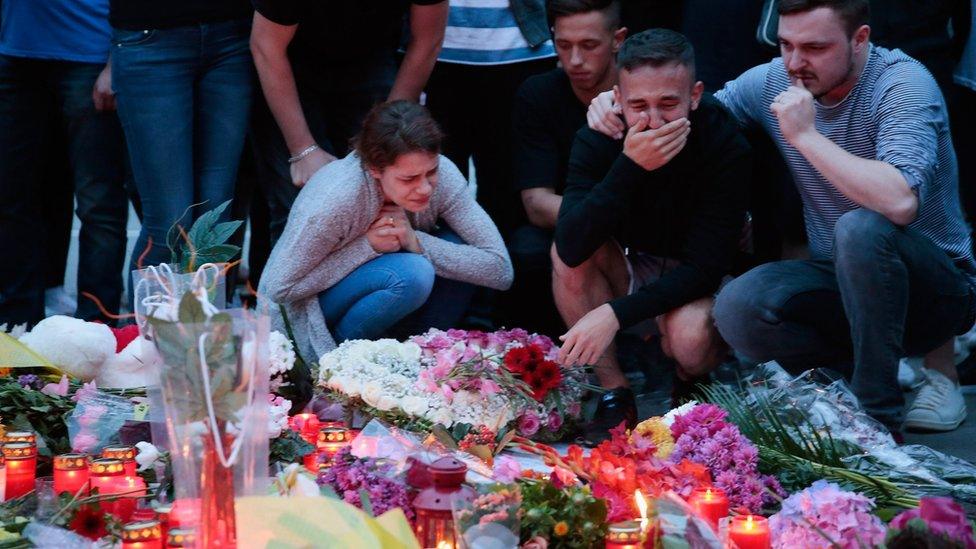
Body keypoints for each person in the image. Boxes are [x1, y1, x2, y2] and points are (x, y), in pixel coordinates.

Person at [588, 0, 976, 435]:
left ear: (860, 39)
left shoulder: (903, 85)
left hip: (937, 294)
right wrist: (617, 105)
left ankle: (876, 419)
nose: (795, 63)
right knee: (739, 307)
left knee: (861, 226)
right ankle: (835, 385)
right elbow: (697, 112)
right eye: (786, 45)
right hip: (842, 281)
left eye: (814, 47)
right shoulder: (776, 78)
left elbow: (900, 202)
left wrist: (805, 136)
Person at [553, 29, 752, 440]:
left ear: (694, 95)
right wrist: (628, 165)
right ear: (617, 99)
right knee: (564, 258)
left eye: (669, 104)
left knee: (689, 339)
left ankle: (688, 382)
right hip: (633, 260)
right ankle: (615, 393)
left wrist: (614, 314)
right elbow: (570, 243)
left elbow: (706, 268)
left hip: (700, 276)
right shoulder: (600, 132)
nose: (654, 120)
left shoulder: (722, 138)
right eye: (639, 105)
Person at [259, 101, 514, 361]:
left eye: (431, 172)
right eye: (408, 179)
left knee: (456, 248)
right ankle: (339, 363)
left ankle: (416, 356)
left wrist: (417, 242)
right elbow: (280, 289)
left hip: (382, 293)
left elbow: (500, 269)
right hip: (307, 315)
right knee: (414, 272)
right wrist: (366, 247)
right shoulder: (336, 198)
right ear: (374, 170)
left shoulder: (445, 176)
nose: (425, 188)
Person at [250, 0, 448, 243]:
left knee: (382, 192)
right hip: (291, 64)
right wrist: (302, 149)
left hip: (371, 60)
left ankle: (382, 278)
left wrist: (388, 133)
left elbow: (428, 41)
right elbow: (266, 46)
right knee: (299, 205)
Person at [0, 0, 129, 326]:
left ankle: (97, 328)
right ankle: (17, 330)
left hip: (91, 54)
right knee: (11, 197)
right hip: (13, 54)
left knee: (98, 202)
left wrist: (116, 61)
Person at [507, 0, 626, 337]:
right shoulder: (539, 94)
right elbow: (536, 204)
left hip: (644, 226)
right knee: (527, 249)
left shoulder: (642, 89)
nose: (575, 60)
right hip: (577, 222)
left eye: (589, 45)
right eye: (563, 45)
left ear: (618, 39)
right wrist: (604, 214)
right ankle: (551, 350)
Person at [111, 0, 254, 275]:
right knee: (170, 221)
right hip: (149, 37)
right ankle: (152, 319)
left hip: (232, 35)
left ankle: (202, 318)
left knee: (215, 218)